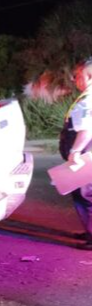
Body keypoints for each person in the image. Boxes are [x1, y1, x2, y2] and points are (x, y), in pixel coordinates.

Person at [59, 58, 92, 250]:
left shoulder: (88, 100)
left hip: (85, 154)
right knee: (84, 194)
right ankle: (89, 230)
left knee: (86, 194)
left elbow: (86, 129)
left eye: (77, 75)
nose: (74, 80)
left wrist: (75, 152)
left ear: (88, 76)